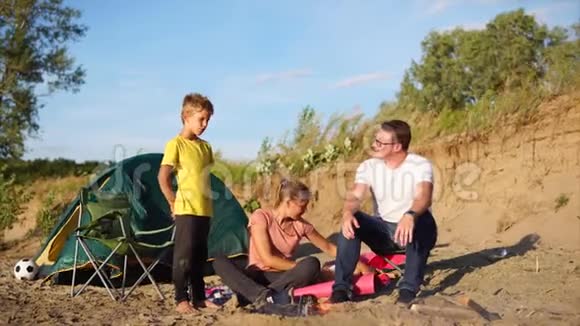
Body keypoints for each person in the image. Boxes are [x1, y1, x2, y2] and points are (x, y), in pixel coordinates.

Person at [213, 179, 371, 306]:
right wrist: (305, 269)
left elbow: (329, 247)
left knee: (312, 264)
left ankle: (258, 296)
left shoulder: (302, 225)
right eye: (302, 206)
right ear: (288, 202)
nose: (305, 210)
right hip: (255, 273)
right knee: (219, 262)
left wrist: (357, 263)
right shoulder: (261, 217)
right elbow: (267, 259)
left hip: (282, 277)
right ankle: (263, 295)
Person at [329, 120, 437, 305]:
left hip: (416, 229)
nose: (373, 145)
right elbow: (355, 195)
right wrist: (347, 213)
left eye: (380, 142)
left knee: (422, 217)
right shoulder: (369, 166)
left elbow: (423, 197)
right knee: (353, 218)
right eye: (375, 140)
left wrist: (410, 214)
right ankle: (341, 289)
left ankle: (408, 289)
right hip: (384, 233)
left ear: (397, 146)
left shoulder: (419, 165)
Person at [158, 93, 216, 314]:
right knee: (184, 256)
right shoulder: (176, 144)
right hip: (186, 209)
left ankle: (199, 297)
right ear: (186, 116)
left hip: (204, 209)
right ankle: (181, 299)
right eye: (201, 119)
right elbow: (162, 178)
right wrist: (173, 201)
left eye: (208, 120)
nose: (205, 124)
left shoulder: (206, 147)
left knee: (200, 256)